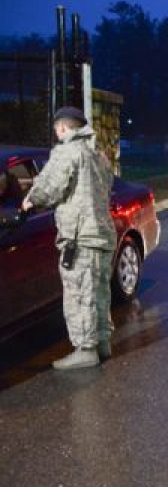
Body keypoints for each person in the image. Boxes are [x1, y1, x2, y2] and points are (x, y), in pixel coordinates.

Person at [21, 107, 116, 370]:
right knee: (98, 291)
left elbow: (49, 188)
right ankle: (102, 343)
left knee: (79, 294)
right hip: (102, 234)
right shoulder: (98, 156)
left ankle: (85, 350)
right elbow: (106, 188)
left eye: (56, 129)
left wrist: (30, 200)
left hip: (80, 236)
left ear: (63, 128)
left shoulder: (67, 152)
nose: (55, 133)